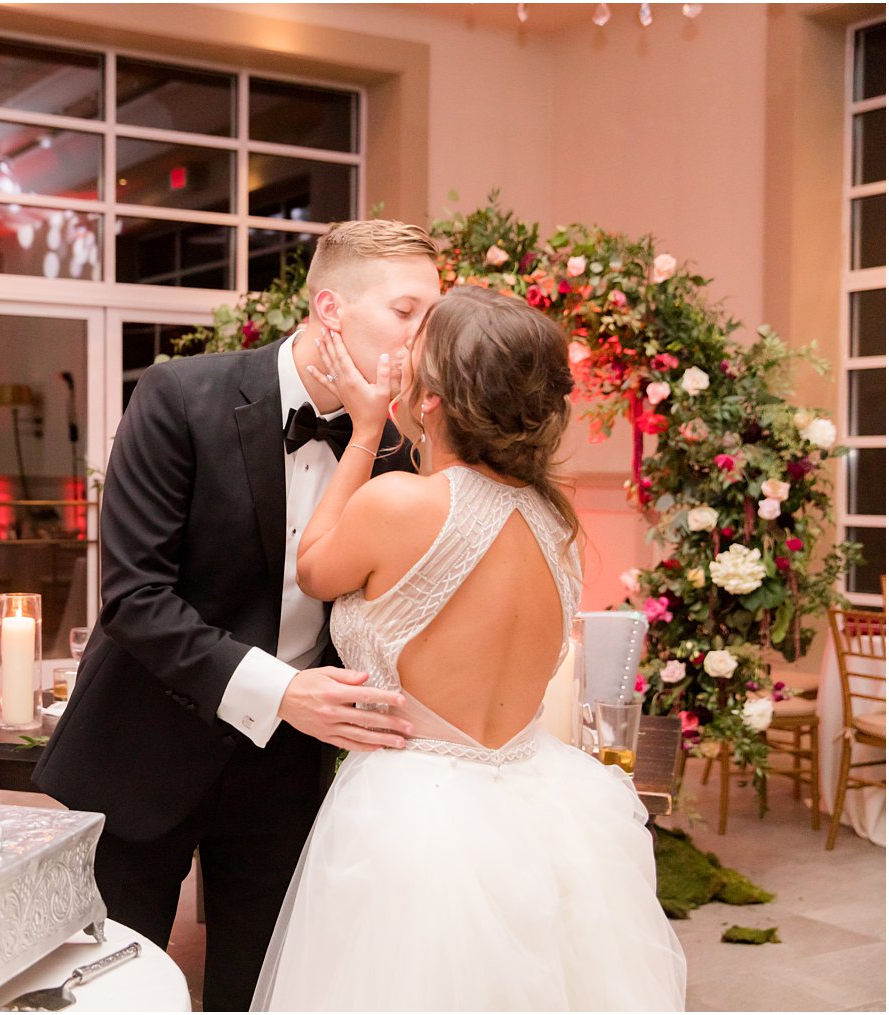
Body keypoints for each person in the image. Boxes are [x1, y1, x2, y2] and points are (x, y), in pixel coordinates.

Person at [33, 220, 440, 1011]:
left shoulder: (396, 446)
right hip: (143, 743)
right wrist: (284, 690)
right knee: (116, 984)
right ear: (331, 308)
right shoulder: (181, 396)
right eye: (407, 311)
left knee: (263, 985)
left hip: (287, 768)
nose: (427, 334)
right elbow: (134, 597)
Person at [251, 285, 686, 1010]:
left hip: (413, 813)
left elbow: (314, 564)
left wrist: (364, 430)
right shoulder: (557, 524)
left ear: (430, 400)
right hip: (543, 808)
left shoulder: (402, 503)